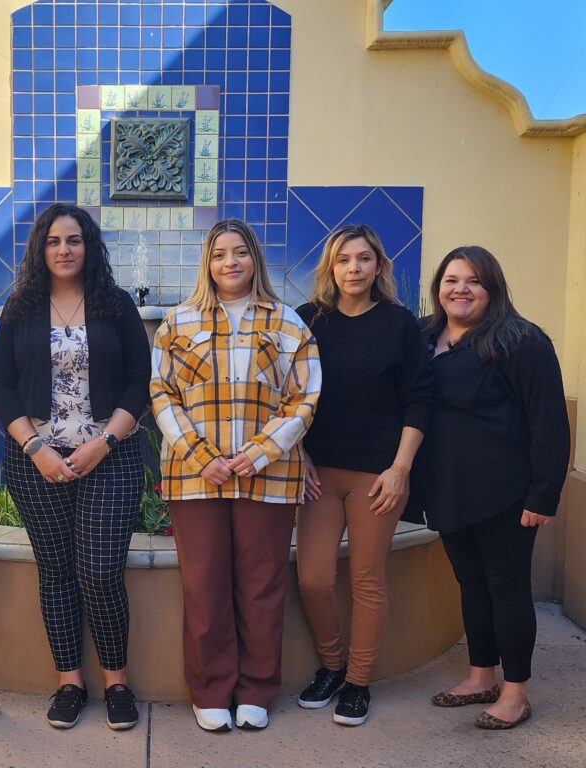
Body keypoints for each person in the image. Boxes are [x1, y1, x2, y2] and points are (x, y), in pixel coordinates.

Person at [150, 218, 321, 732]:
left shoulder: (288, 323)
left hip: (266, 476)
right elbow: (161, 393)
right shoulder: (177, 323)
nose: (230, 262)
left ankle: (256, 690)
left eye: (240, 252)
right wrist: (204, 456)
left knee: (262, 585)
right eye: (220, 253)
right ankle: (211, 689)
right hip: (194, 475)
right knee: (204, 585)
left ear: (254, 260)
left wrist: (260, 452)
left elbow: (305, 396)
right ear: (208, 262)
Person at [0, 203, 150, 731]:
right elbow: (2, 387)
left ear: (89, 246)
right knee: (56, 573)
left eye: (74, 240)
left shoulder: (116, 305)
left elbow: (137, 383)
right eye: (54, 241)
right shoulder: (20, 308)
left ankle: (117, 681)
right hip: (36, 462)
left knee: (101, 573)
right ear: (41, 248)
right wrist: (35, 448)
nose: (64, 249)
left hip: (110, 457)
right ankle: (69, 682)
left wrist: (103, 442)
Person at [419, 246, 569, 730]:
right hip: (448, 492)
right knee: (471, 587)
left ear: (493, 288)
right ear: (438, 287)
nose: (460, 289)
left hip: (506, 494)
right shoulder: (424, 335)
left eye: (474, 281)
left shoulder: (521, 341)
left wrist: (543, 495)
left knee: (506, 590)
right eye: (451, 279)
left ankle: (515, 692)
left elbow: (549, 422)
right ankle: (481, 676)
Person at [294, 224, 432, 726]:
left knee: (367, 579)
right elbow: (293, 396)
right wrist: (300, 453)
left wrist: (400, 468)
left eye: (364, 259)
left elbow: (420, 398)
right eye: (344, 260)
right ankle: (331, 666)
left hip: (379, 475)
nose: (354, 268)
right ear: (330, 268)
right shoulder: (309, 320)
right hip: (320, 473)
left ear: (379, 266)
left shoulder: (399, 324)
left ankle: (358, 681)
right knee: (312, 578)